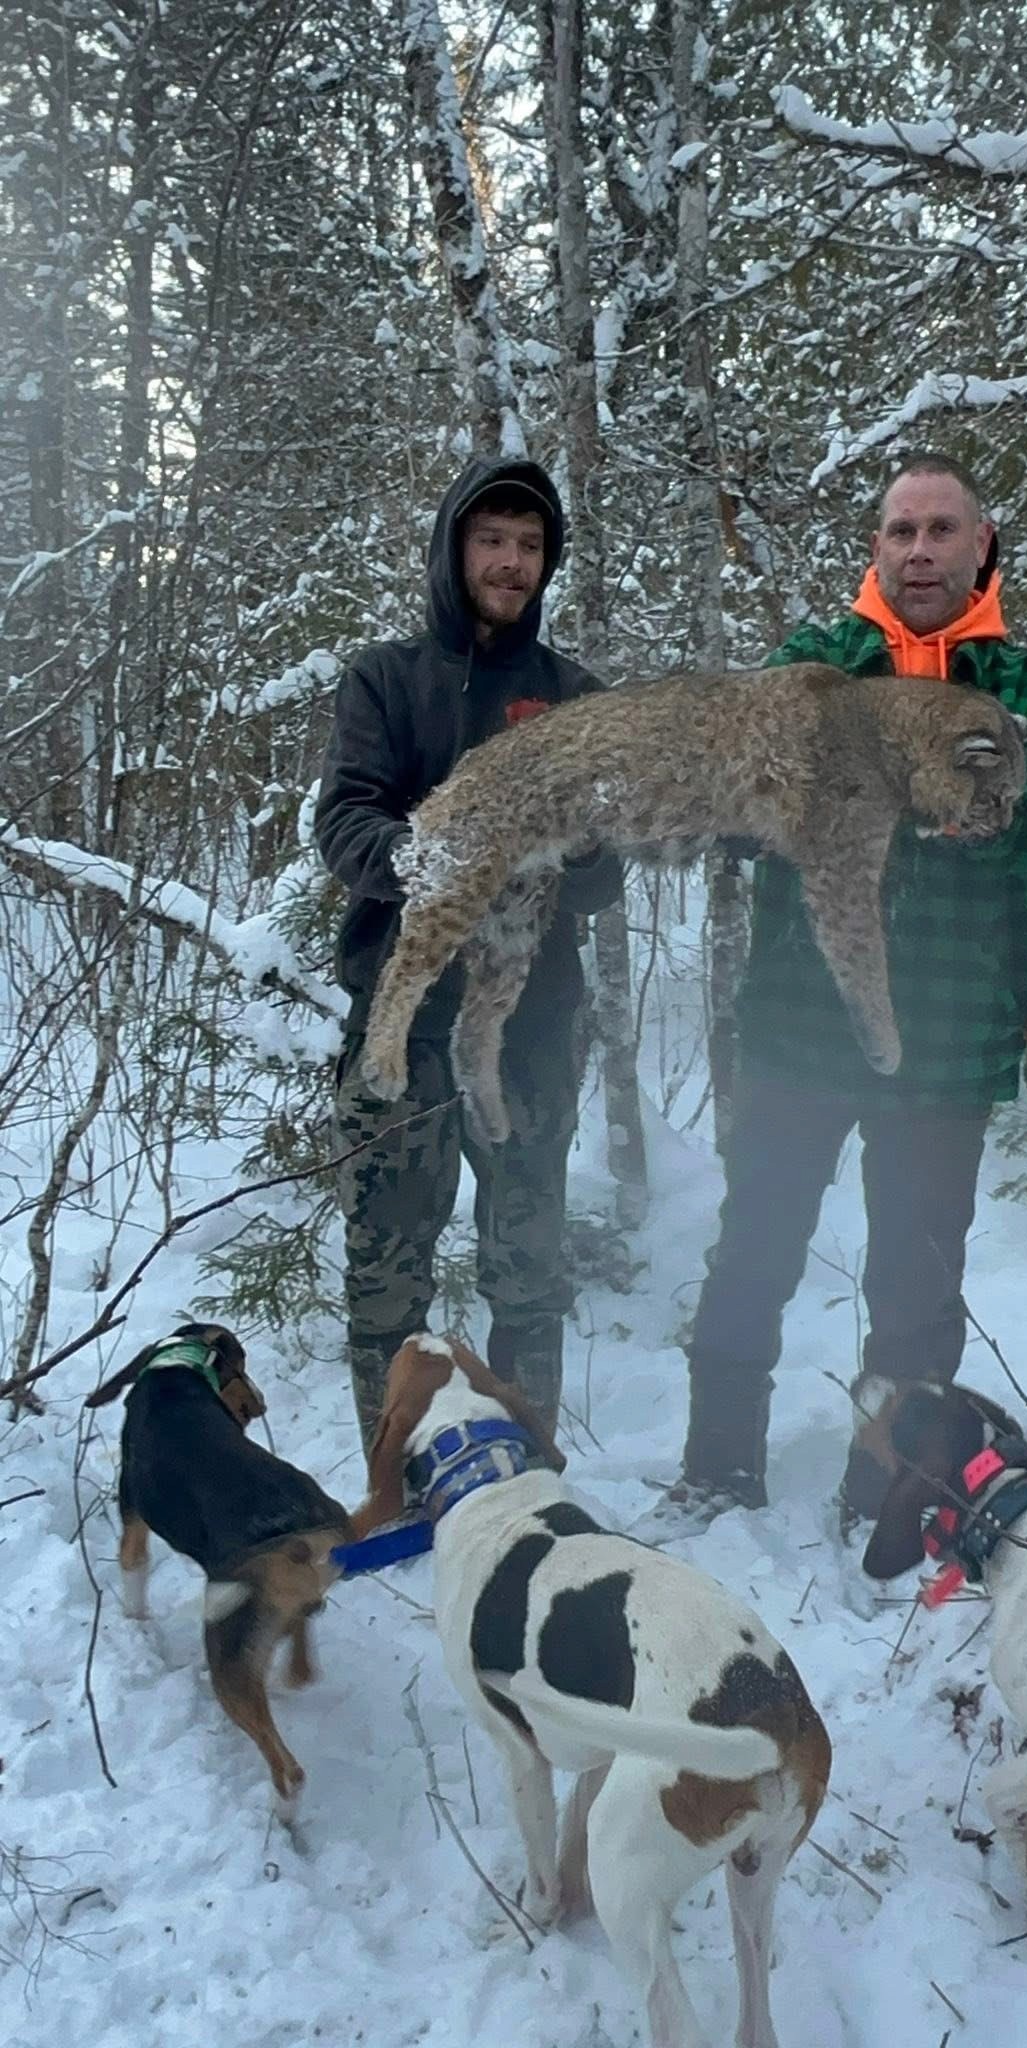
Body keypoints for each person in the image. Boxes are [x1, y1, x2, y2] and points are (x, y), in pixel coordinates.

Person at [669, 451, 1027, 1526]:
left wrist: (998, 820)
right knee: (754, 1252)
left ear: (980, 545)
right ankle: (717, 1471)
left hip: (947, 1039)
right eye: (902, 530)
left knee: (916, 1285)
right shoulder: (818, 664)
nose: (920, 549)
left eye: (941, 529)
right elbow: (731, 783)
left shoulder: (1024, 686)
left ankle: (889, 1497)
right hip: (799, 1023)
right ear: (876, 547)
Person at [316, 458, 622, 1454]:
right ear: (455, 550)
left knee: (528, 1270)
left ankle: (527, 1470)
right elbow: (344, 820)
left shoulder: (574, 696)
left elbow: (605, 872)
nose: (510, 561)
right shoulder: (386, 679)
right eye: (492, 539)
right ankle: (394, 1480)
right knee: (387, 1274)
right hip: (400, 1023)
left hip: (527, 1029)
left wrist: (577, 849)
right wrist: (437, 861)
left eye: (530, 545)